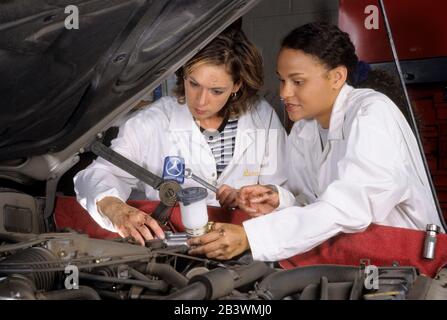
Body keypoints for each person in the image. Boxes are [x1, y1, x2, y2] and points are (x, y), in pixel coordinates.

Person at [187, 22, 443, 261]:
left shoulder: (371, 113)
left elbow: (348, 208)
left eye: (297, 82)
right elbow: (310, 202)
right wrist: (278, 198)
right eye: (282, 80)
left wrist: (251, 237)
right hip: (352, 256)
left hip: (408, 258)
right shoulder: (304, 129)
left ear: (337, 77)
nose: (284, 93)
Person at [74, 28, 287, 245]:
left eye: (216, 91)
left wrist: (249, 197)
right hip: (171, 246)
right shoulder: (153, 121)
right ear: (184, 73)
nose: (201, 101)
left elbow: (281, 190)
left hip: (241, 247)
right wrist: (114, 208)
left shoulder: (262, 117)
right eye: (194, 84)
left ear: (237, 85)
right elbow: (98, 173)